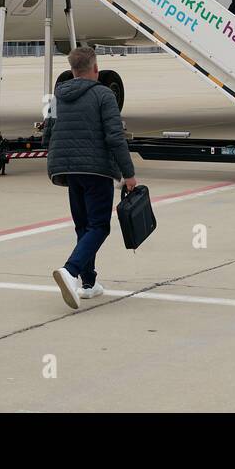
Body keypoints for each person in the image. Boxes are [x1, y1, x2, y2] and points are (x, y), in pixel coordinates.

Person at [43, 46, 138, 309]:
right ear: (95, 69)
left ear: (72, 70)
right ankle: (71, 270)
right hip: (96, 169)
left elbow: (47, 134)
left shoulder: (55, 97)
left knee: (83, 226)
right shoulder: (103, 95)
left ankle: (88, 283)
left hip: (68, 169)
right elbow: (114, 136)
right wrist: (128, 174)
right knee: (99, 226)